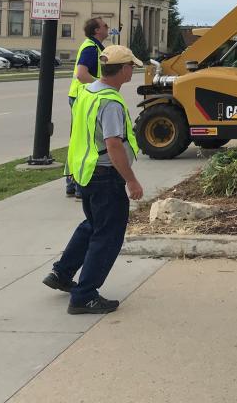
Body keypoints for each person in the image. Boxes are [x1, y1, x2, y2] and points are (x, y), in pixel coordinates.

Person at [42, 45, 145, 314]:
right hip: (105, 175)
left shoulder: (89, 92)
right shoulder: (109, 102)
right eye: (131, 66)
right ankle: (84, 296)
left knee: (93, 225)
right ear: (122, 70)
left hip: (86, 173)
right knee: (108, 236)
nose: (133, 69)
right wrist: (131, 180)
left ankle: (62, 274)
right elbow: (113, 144)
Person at [65, 17, 110, 198]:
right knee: (84, 142)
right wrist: (103, 85)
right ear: (96, 31)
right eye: (105, 25)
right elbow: (82, 74)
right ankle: (77, 185)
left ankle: (72, 183)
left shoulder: (96, 47)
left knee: (81, 140)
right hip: (82, 98)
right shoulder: (91, 48)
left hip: (85, 97)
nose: (108, 28)